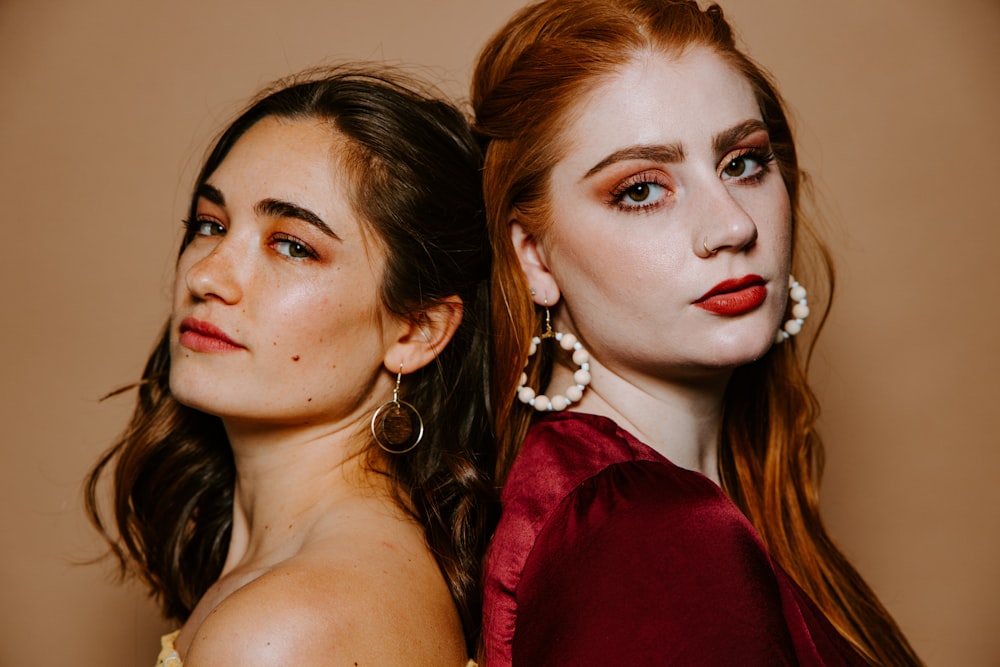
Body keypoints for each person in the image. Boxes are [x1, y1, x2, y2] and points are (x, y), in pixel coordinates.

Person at [471, 1, 922, 665]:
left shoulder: (655, 504)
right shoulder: (644, 532)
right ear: (535, 256)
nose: (733, 225)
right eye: (641, 189)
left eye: (742, 162)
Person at [85, 66, 496, 666]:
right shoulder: (321, 582)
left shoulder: (285, 629)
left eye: (294, 246)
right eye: (211, 225)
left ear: (416, 330)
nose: (205, 276)